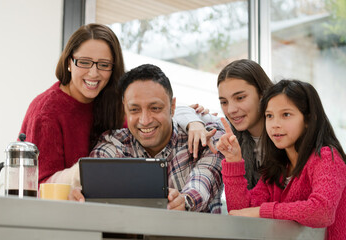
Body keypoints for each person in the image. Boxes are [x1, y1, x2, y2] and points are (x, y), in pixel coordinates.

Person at [70, 64, 225, 213]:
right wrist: (85, 197)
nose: (145, 120)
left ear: (172, 107)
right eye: (134, 109)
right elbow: (97, 192)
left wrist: (184, 201)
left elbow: (202, 182)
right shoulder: (113, 144)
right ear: (125, 109)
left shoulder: (206, 139)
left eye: (155, 108)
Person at [219, 80, 346, 239]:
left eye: (286, 114)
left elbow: (322, 211)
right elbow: (241, 213)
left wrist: (262, 212)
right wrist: (233, 161)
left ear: (308, 119)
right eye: (269, 116)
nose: (275, 124)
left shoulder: (327, 158)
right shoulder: (275, 168)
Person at [20, 23, 126, 185]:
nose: (93, 73)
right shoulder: (47, 112)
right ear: (69, 62)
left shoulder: (115, 104)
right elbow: (41, 187)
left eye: (104, 65)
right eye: (84, 62)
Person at [175, 59, 273, 189]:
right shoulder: (228, 130)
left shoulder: (285, 134)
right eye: (224, 102)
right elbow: (179, 111)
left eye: (240, 98)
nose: (231, 110)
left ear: (262, 94)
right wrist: (195, 123)